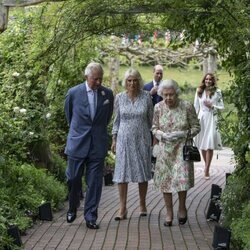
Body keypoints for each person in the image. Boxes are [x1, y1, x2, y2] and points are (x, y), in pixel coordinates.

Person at [64, 62, 114, 229]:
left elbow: (107, 118)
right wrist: (79, 132)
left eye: (100, 78)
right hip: (77, 143)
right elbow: (69, 116)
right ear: (87, 77)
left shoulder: (107, 94)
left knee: (94, 182)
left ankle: (91, 216)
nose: (98, 82)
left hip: (97, 145)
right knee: (73, 178)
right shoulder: (73, 93)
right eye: (95, 79)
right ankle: (72, 206)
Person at [152, 79, 200, 226]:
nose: (168, 98)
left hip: (181, 149)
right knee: (165, 181)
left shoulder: (186, 106)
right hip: (165, 151)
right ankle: (169, 212)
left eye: (171, 95)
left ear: (176, 93)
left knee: (181, 180)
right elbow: (154, 127)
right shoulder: (158, 107)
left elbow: (197, 127)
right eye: (165, 95)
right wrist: (161, 134)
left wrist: (183, 134)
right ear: (161, 94)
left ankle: (181, 207)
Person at [111, 68, 153, 220]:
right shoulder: (120, 98)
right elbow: (116, 120)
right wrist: (114, 139)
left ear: (139, 81)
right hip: (123, 139)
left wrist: (153, 138)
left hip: (142, 139)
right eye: (129, 80)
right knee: (121, 173)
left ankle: (142, 204)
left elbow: (151, 120)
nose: (132, 83)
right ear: (125, 82)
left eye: (135, 80)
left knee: (142, 172)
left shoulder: (146, 97)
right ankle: (122, 207)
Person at [194, 73, 224, 179]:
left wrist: (212, 106)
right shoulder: (199, 91)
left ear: (213, 81)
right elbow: (195, 107)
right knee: (202, 144)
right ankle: (206, 165)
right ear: (204, 80)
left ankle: (206, 169)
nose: (208, 81)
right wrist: (193, 121)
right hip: (201, 118)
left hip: (212, 118)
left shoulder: (217, 92)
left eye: (210, 79)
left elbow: (222, 107)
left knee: (209, 144)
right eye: (206, 79)